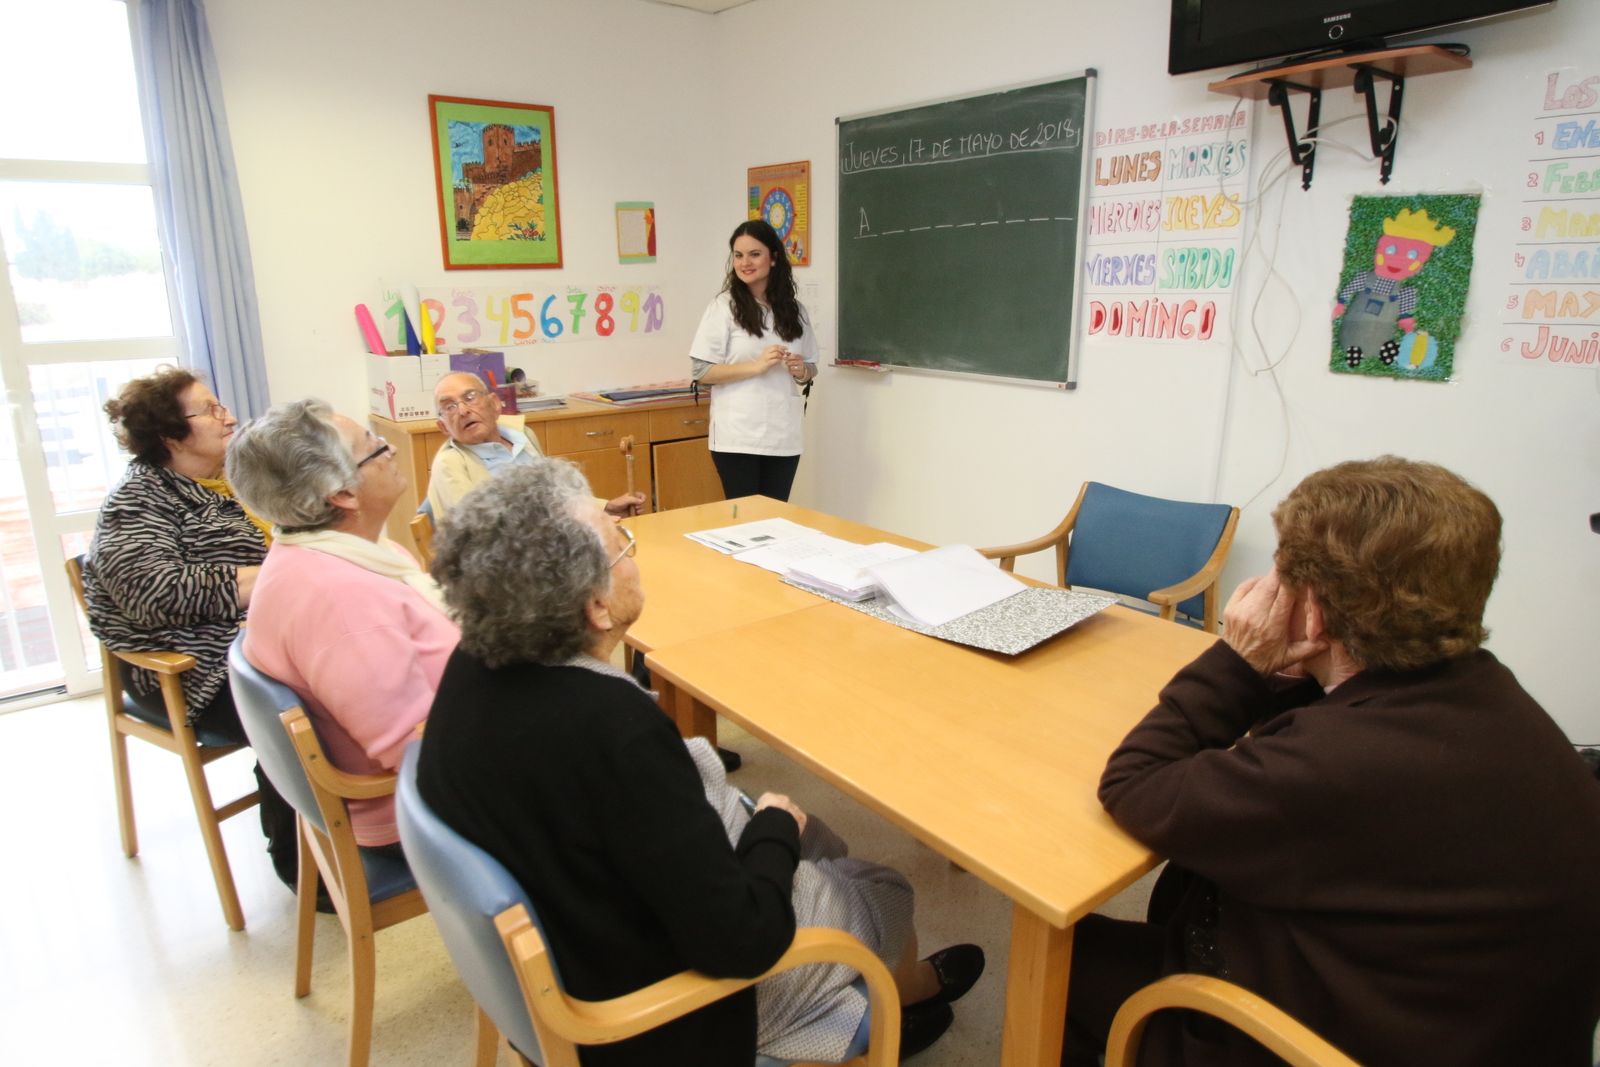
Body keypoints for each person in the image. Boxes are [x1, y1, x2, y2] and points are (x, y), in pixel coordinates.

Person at [417, 460, 983, 1066]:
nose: (634, 557)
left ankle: (884, 996)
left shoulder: (472, 664)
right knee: (880, 884)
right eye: (623, 549)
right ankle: (892, 1005)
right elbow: (743, 943)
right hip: (662, 1019)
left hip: (576, 943)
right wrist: (773, 830)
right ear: (597, 609)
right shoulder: (612, 730)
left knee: (820, 843)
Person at [1062, 456, 1600, 1067]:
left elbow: (1134, 782)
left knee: (1063, 956)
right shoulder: (1481, 691)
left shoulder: (1334, 765)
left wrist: (1240, 663)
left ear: (1313, 610)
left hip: (1327, 1040)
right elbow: (1319, 741)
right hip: (1453, 1017)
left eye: (1279, 572)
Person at [81, 365, 295, 885]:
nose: (230, 418)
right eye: (213, 410)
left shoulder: (226, 483)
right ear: (171, 435)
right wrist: (271, 576)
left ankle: (355, 827)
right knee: (304, 712)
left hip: (254, 640)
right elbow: (153, 591)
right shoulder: (137, 501)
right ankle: (300, 863)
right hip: (187, 669)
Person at [229, 400, 459, 852]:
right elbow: (418, 752)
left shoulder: (342, 552)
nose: (389, 447)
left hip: (449, 743)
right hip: (416, 811)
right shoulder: (339, 599)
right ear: (344, 494)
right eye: (373, 447)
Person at [689, 218, 817, 502]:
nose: (745, 262)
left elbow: (810, 368)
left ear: (773, 258)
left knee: (776, 520)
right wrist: (756, 366)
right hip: (738, 436)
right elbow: (701, 371)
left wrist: (801, 370)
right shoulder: (723, 307)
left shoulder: (795, 311)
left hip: (783, 436)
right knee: (744, 523)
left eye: (754, 254)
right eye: (738, 255)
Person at [425, 371, 644, 519]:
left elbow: (554, 493)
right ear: (443, 427)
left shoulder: (523, 436)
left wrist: (605, 507)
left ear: (494, 404)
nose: (463, 411)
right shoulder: (450, 464)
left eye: (470, 397)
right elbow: (478, 532)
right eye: (450, 407)